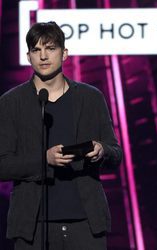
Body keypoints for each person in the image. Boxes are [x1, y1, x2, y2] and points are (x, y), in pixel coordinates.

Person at [0, 21, 122, 250]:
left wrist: (101, 150)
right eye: (36, 50)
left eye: (51, 48)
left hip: (86, 225)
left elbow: (116, 154)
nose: (43, 56)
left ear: (64, 53)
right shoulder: (10, 103)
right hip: (32, 228)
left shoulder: (90, 98)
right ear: (28, 56)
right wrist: (44, 160)